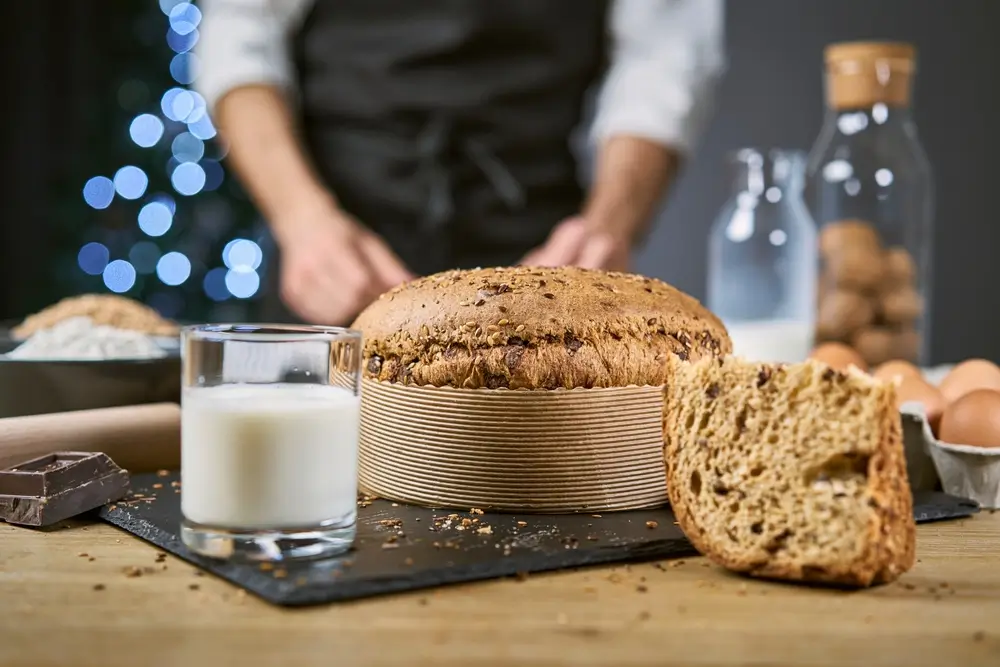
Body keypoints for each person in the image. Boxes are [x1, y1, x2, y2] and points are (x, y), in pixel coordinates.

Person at [197, 0, 725, 325]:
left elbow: (665, 58)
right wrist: (303, 221)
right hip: (335, 245)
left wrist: (609, 226)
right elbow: (239, 32)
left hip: (538, 252)